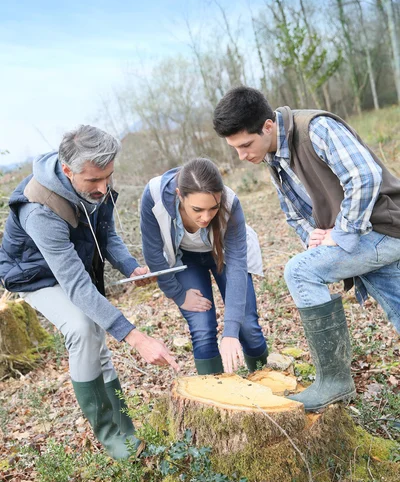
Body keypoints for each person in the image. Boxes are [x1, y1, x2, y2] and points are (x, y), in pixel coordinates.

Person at [213, 86, 400, 412]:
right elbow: (294, 213)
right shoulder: (274, 157)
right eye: (235, 149)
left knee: (300, 270)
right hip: (366, 236)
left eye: (245, 145)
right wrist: (316, 237)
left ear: (268, 126)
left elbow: (365, 176)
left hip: (385, 228)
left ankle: (334, 381)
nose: (242, 156)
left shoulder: (316, 128)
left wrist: (340, 235)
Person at [0, 125, 178, 459]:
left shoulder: (97, 180)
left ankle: (126, 431)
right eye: (93, 181)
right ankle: (110, 436)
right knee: (81, 328)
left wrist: (129, 266)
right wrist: (137, 338)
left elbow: (106, 232)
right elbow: (76, 285)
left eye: (107, 177)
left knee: (96, 331)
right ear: (67, 170)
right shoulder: (40, 209)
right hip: (33, 275)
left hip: (72, 265)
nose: (103, 187)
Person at [140, 157, 268, 375]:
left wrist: (230, 332)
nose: (206, 217)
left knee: (246, 325)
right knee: (202, 328)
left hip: (224, 255)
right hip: (186, 259)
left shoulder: (230, 202)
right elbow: (152, 253)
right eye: (197, 209)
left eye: (213, 208)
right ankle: (214, 395)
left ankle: (265, 380)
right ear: (179, 195)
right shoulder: (154, 195)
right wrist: (178, 294)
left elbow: (237, 266)